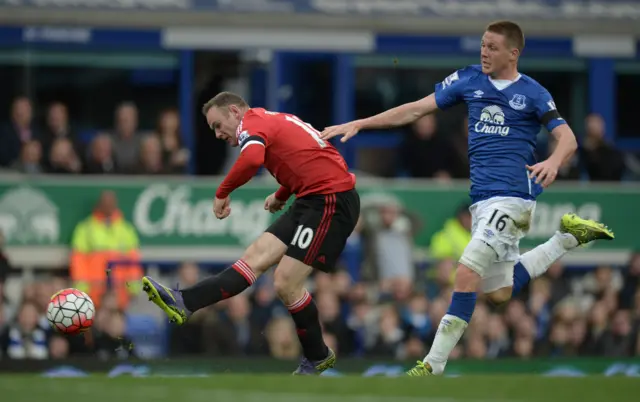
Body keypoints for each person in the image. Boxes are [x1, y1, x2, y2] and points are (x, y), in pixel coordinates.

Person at [320, 20, 615, 376]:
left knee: (465, 272)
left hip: (513, 196)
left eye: (492, 47)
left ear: (513, 53)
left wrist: (553, 160)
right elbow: (416, 108)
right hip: (481, 201)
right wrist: (362, 123)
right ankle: (567, 238)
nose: (484, 52)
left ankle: (433, 364)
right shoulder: (468, 80)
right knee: (499, 293)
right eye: (482, 45)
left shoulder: (533, 93)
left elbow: (567, 137)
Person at [141, 92, 360, 375]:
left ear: (234, 111)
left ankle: (317, 355)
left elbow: (253, 158)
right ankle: (184, 302)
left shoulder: (250, 125)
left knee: (284, 282)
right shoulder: (269, 120)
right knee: (254, 258)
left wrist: (223, 192)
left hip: (331, 199)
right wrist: (283, 193)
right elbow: (306, 158)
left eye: (218, 125)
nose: (218, 134)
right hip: (312, 197)